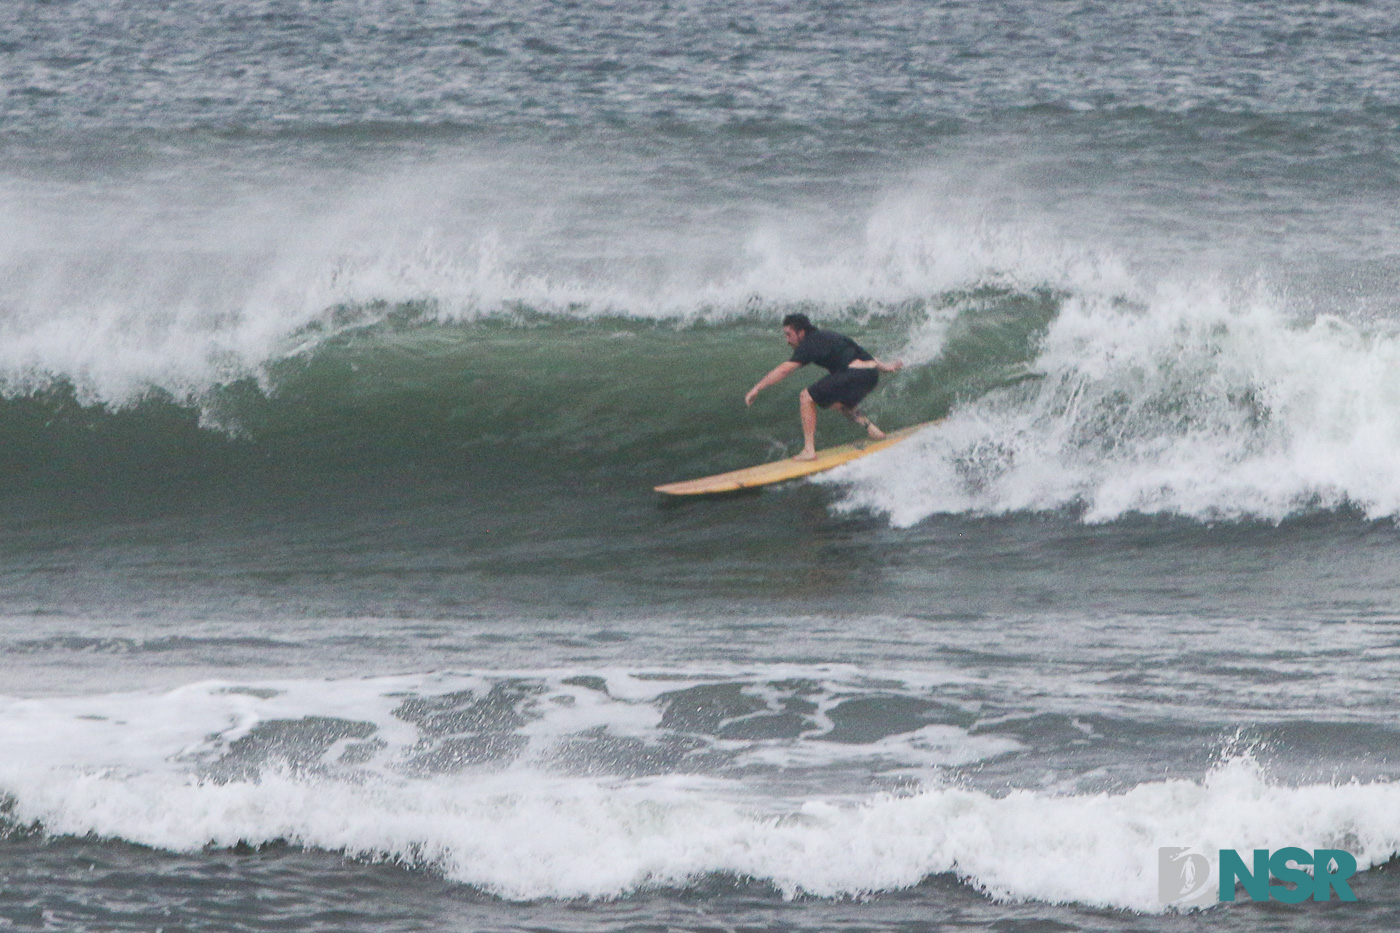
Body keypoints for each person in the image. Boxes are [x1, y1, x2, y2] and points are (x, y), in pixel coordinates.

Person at [744, 313, 904, 461]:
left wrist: (757, 388)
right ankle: (872, 429)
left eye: (789, 334)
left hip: (854, 374)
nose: (787, 340)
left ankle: (809, 450)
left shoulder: (809, 344)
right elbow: (863, 354)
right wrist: (887, 367)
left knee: (806, 397)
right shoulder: (829, 335)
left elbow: (784, 370)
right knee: (836, 402)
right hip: (871, 374)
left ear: (801, 332)